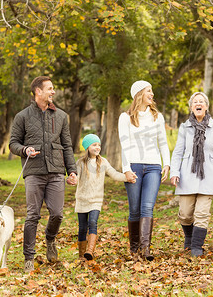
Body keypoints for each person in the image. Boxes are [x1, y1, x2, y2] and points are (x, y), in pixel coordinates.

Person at [9, 76, 78, 272]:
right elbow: (13, 143)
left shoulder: (62, 116)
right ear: (38, 92)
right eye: (50, 88)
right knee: (32, 215)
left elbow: (67, 146)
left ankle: (50, 240)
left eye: (53, 88)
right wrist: (24, 150)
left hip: (56, 172)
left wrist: (72, 170)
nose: (53, 92)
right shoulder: (22, 116)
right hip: (33, 173)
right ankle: (28, 258)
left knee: (57, 213)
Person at [170, 92, 213, 256]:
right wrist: (174, 172)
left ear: (206, 106)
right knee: (185, 214)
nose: (199, 104)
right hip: (188, 174)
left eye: (201, 101)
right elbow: (178, 152)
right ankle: (189, 239)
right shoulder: (184, 127)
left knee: (202, 213)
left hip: (209, 174)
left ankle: (196, 247)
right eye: (195, 101)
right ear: (191, 107)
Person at [118, 80, 171, 261]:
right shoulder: (125, 118)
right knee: (134, 209)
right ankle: (134, 249)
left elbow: (163, 142)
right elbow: (124, 146)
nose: (152, 94)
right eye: (149, 90)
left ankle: (145, 249)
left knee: (147, 207)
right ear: (139, 94)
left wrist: (167, 163)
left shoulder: (157, 116)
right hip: (133, 166)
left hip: (153, 166)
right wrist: (126, 169)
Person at [75, 134, 136, 261]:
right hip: (82, 200)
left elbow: (114, 174)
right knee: (82, 228)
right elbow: (75, 176)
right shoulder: (80, 163)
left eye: (98, 145)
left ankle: (89, 252)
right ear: (87, 147)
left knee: (93, 223)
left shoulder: (103, 162)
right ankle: (81, 255)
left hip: (96, 200)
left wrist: (126, 177)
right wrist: (72, 179)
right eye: (94, 145)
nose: (97, 147)